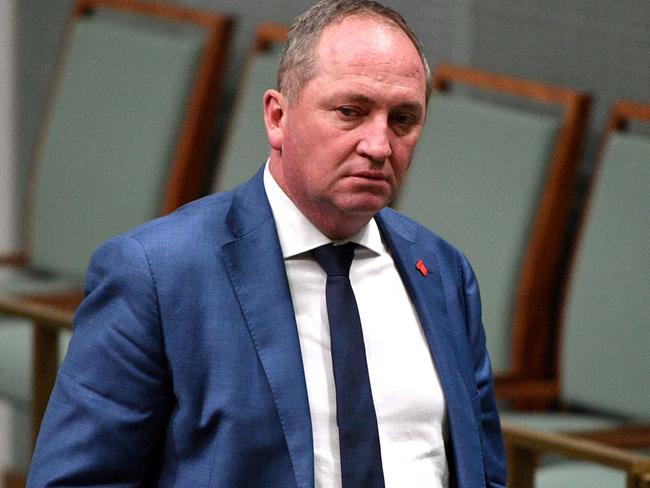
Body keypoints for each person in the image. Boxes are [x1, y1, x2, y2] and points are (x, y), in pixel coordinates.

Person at [28, 1, 506, 487]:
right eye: (350, 112)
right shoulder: (159, 274)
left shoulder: (442, 273)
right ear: (278, 117)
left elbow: (482, 471)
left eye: (403, 119)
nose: (379, 146)